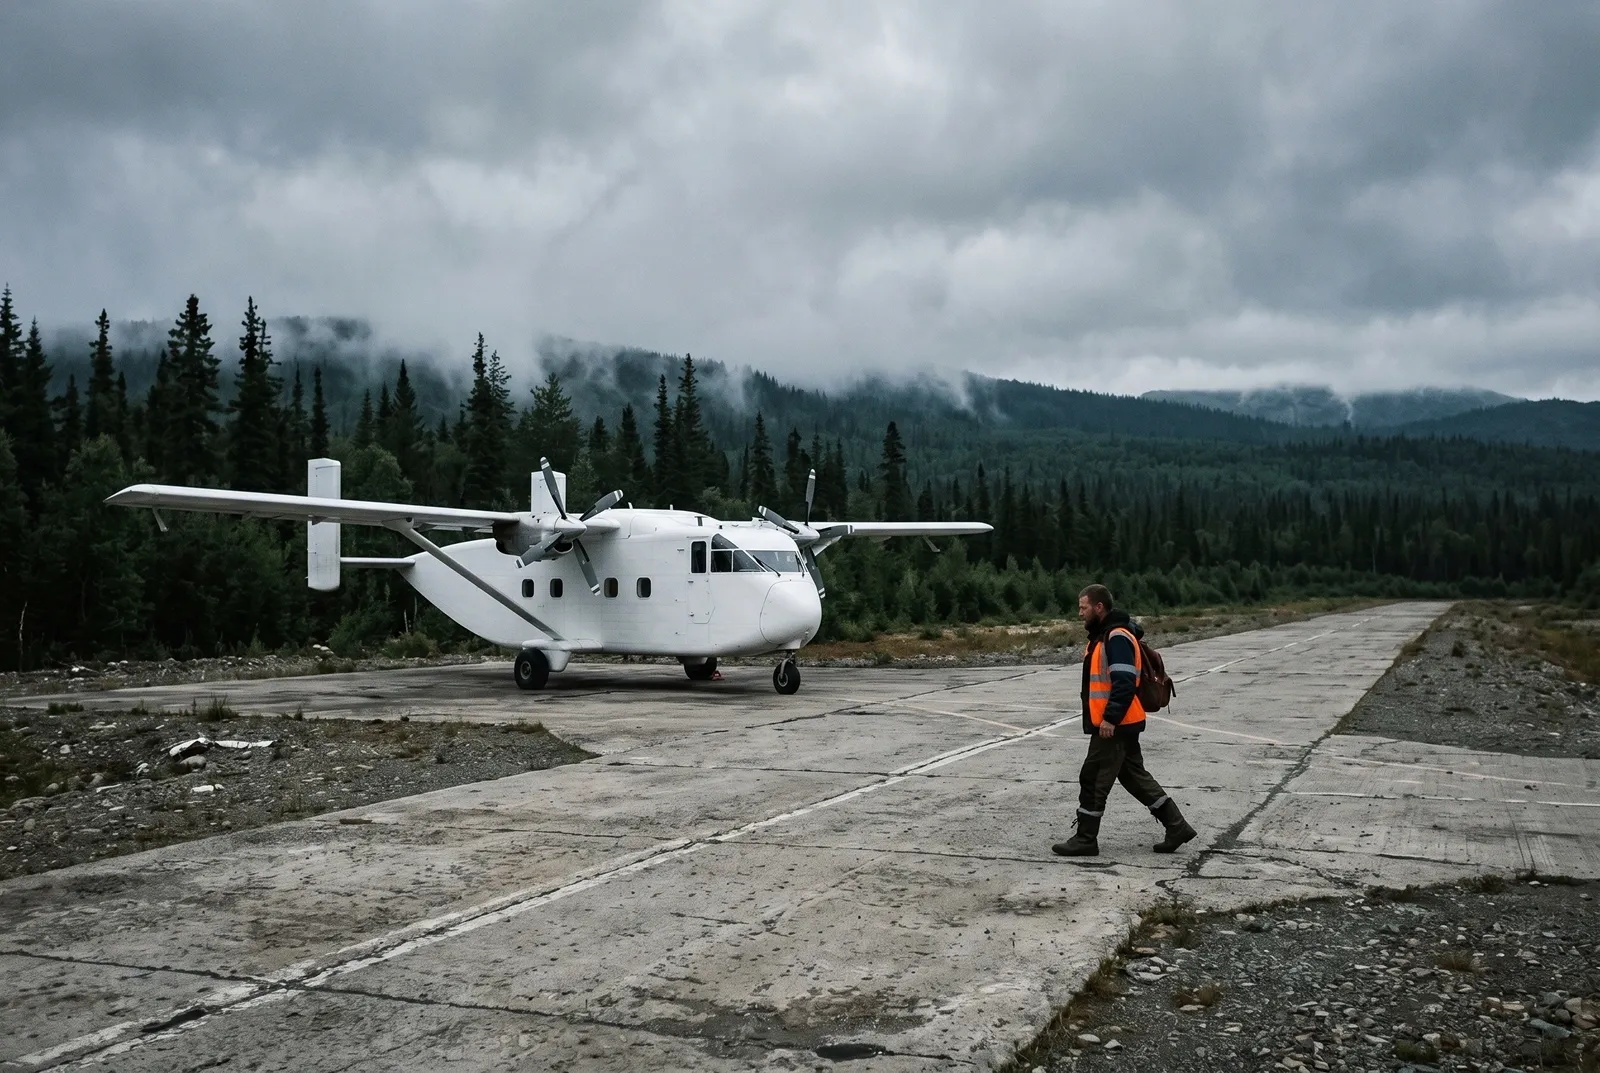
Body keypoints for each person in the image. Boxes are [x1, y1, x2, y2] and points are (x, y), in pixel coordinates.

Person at [1052, 584, 1197, 857]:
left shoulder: (1116, 637)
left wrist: (1110, 718)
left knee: (1093, 777)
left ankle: (1085, 839)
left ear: (1099, 607)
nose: (1080, 613)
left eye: (1083, 607)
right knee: (1133, 776)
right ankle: (1177, 826)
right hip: (1123, 722)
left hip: (1115, 726)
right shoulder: (1105, 635)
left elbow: (1124, 681)